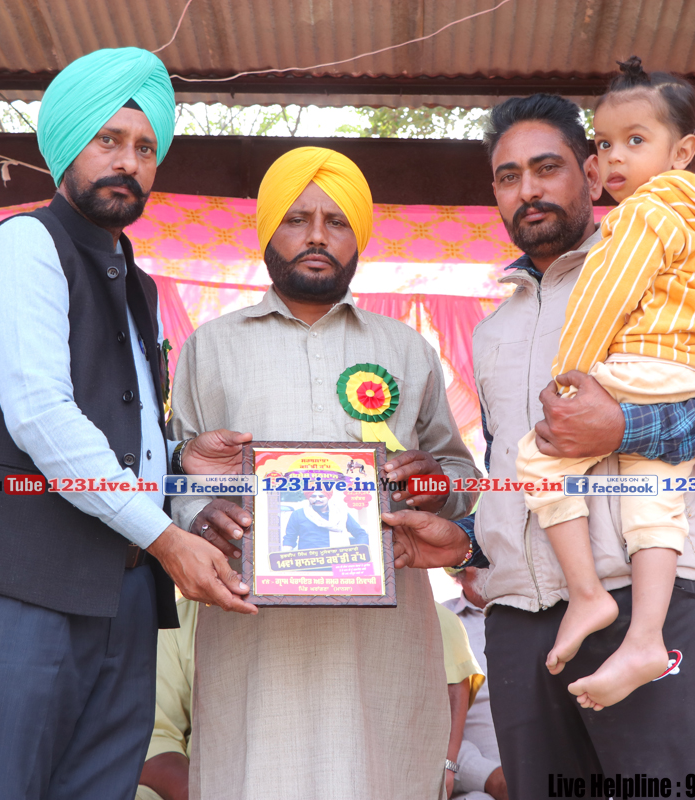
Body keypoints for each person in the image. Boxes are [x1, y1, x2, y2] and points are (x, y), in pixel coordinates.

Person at [383, 92, 695, 794]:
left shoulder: (657, 261)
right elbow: (522, 477)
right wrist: (465, 542)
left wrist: (626, 428)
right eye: (508, 176)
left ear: (592, 173)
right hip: (518, 620)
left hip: (644, 604)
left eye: (547, 168)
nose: (528, 190)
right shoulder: (492, 330)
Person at [0, 48, 254, 800]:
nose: (128, 162)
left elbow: (112, 423)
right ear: (69, 143)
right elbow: (42, 417)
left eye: (145, 148)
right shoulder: (24, 244)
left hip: (121, 599)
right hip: (17, 588)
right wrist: (167, 538)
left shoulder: (136, 282)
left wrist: (178, 457)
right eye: (109, 140)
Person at [169, 146, 480, 800]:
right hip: (253, 636)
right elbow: (177, 474)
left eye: (337, 221)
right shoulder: (210, 347)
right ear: (268, 230)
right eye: (297, 218)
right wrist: (198, 517)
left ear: (357, 236)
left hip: (382, 640)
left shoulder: (405, 348)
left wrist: (435, 483)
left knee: (379, 776)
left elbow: (461, 479)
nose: (317, 236)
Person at [515, 58, 695, 710]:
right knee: (653, 497)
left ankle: (590, 596)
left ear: (681, 151)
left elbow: (602, 303)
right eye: (605, 144)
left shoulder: (639, 221)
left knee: (539, 457)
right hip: (683, 372)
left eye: (636, 140)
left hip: (642, 368)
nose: (615, 158)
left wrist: (574, 384)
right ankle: (643, 640)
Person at [135, 598, 483, 800]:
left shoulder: (418, 612)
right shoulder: (182, 620)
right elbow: (154, 743)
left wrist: (446, 768)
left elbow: (452, 682)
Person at [443, 568, 508, 800]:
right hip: (477, 787)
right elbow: (429, 728)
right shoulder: (438, 621)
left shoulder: (549, 613)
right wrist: (489, 776)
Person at [282, 489, 367, 549]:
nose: (317, 499)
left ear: (328, 497)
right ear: (308, 498)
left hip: (338, 559)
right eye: (313, 496)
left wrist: (360, 551)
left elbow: (361, 534)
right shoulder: (298, 514)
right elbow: (290, 539)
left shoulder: (341, 513)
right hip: (308, 562)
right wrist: (284, 557)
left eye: (321, 496)